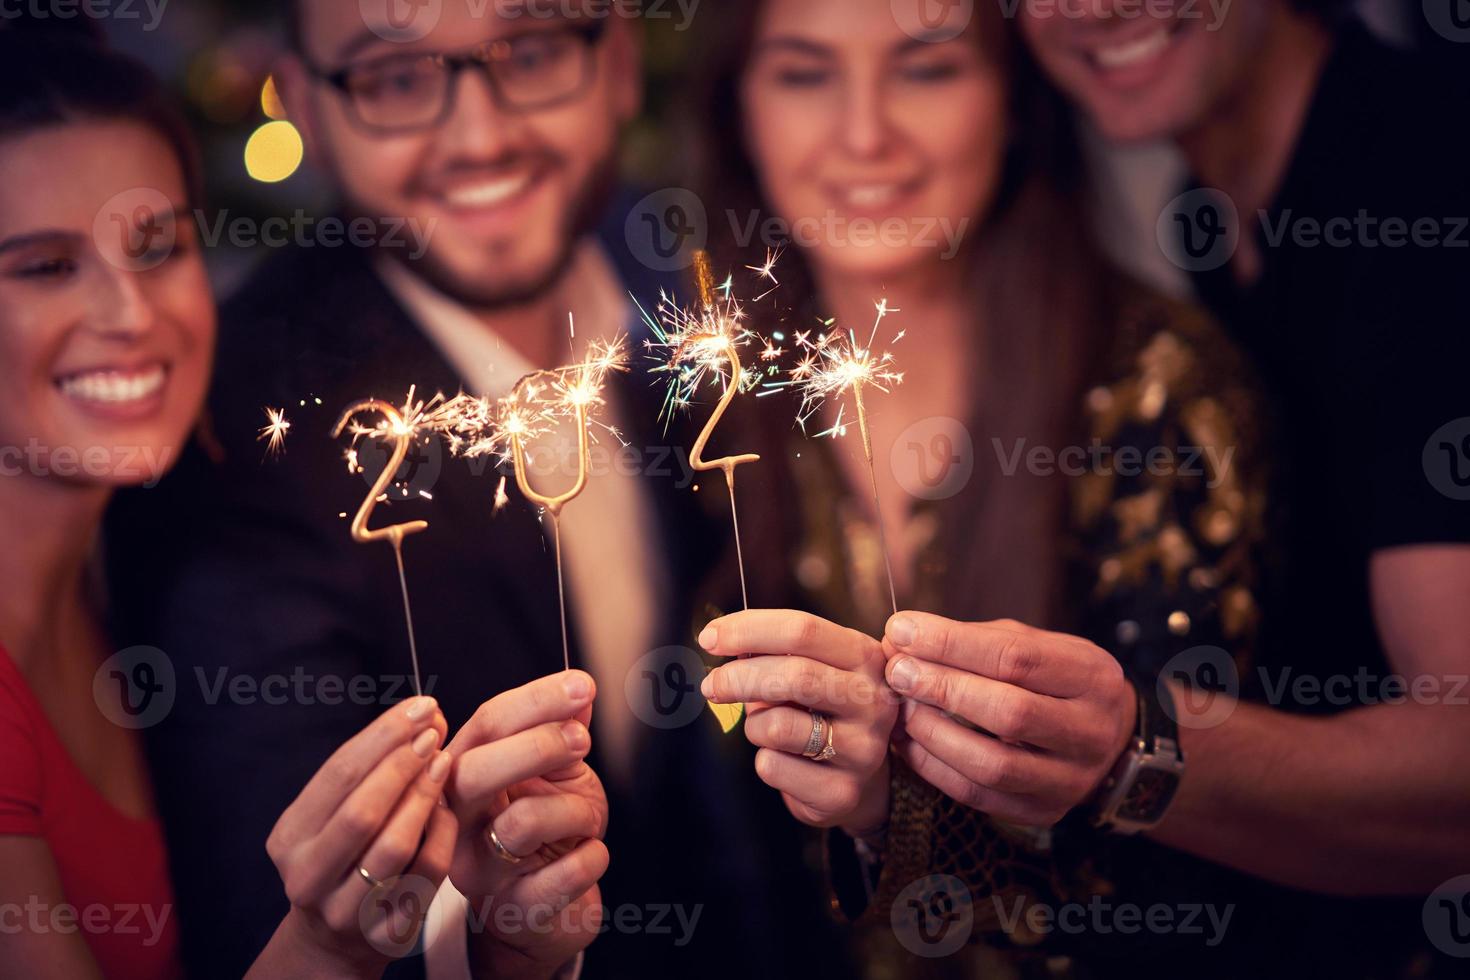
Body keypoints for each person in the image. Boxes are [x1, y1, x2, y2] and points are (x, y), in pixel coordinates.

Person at [696, 0, 1470, 976]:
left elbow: (1193, 901)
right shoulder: (713, 417)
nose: (864, 133)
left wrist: (940, 799)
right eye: (804, 73)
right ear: (738, 108)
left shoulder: (1165, 396)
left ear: (1013, 100)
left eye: (929, 69)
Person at [107, 0, 841, 976]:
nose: (481, 135)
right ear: (309, 112)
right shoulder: (236, 447)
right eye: (395, 79)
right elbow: (278, 912)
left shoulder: (683, 279)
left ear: (619, 60)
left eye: (531, 51)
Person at [0, 23, 463, 980]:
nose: (132, 317)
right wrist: (329, 941)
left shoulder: (141, 568)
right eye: (46, 267)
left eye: (159, 249)